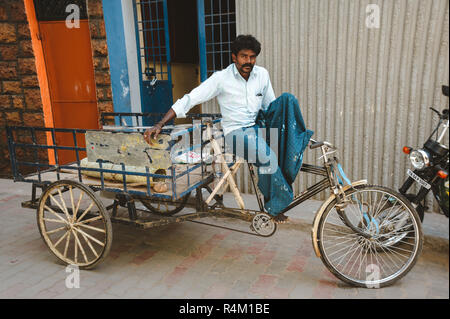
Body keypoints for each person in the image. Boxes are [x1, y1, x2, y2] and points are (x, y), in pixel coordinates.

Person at [144, 35, 313, 223]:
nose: (248, 61)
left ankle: (275, 193)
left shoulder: (262, 75)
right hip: (236, 133)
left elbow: (270, 106)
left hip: (258, 127)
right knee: (267, 157)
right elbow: (191, 98)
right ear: (234, 57)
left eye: (252, 57)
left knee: (287, 103)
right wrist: (160, 123)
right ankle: (274, 206)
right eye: (243, 56)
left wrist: (286, 132)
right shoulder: (221, 78)